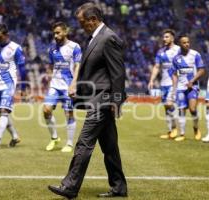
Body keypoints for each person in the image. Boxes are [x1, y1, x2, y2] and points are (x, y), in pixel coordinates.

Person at [48, 2, 127, 199]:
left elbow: (118, 75)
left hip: (103, 101)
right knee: (110, 147)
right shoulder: (95, 38)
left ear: (93, 20)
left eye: (83, 22)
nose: (81, 26)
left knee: (84, 142)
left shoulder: (109, 38)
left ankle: (70, 186)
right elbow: (95, 72)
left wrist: (116, 102)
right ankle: (119, 187)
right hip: (96, 99)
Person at [43, 21, 81, 153]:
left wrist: (74, 83)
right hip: (54, 85)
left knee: (69, 114)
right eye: (54, 33)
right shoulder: (52, 49)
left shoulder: (74, 47)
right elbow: (50, 66)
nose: (55, 35)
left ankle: (70, 143)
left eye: (58, 32)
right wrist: (49, 79)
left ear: (65, 32)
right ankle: (54, 138)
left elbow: (77, 66)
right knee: (46, 110)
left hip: (68, 85)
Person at [172, 35, 205, 141]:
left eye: (188, 42)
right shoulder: (176, 58)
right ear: (179, 44)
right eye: (184, 42)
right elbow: (174, 74)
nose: (187, 44)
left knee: (192, 109)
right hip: (181, 88)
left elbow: (202, 70)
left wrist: (192, 81)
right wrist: (174, 87)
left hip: (193, 86)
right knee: (181, 110)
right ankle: (182, 134)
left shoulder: (195, 54)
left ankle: (196, 128)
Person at [148, 29, 180, 139]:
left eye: (166, 37)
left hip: (174, 82)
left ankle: (175, 129)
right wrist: (151, 80)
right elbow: (157, 66)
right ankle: (170, 131)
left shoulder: (178, 50)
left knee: (170, 104)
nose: (164, 39)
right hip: (164, 83)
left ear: (172, 38)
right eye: (164, 37)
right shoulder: (161, 51)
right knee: (166, 108)